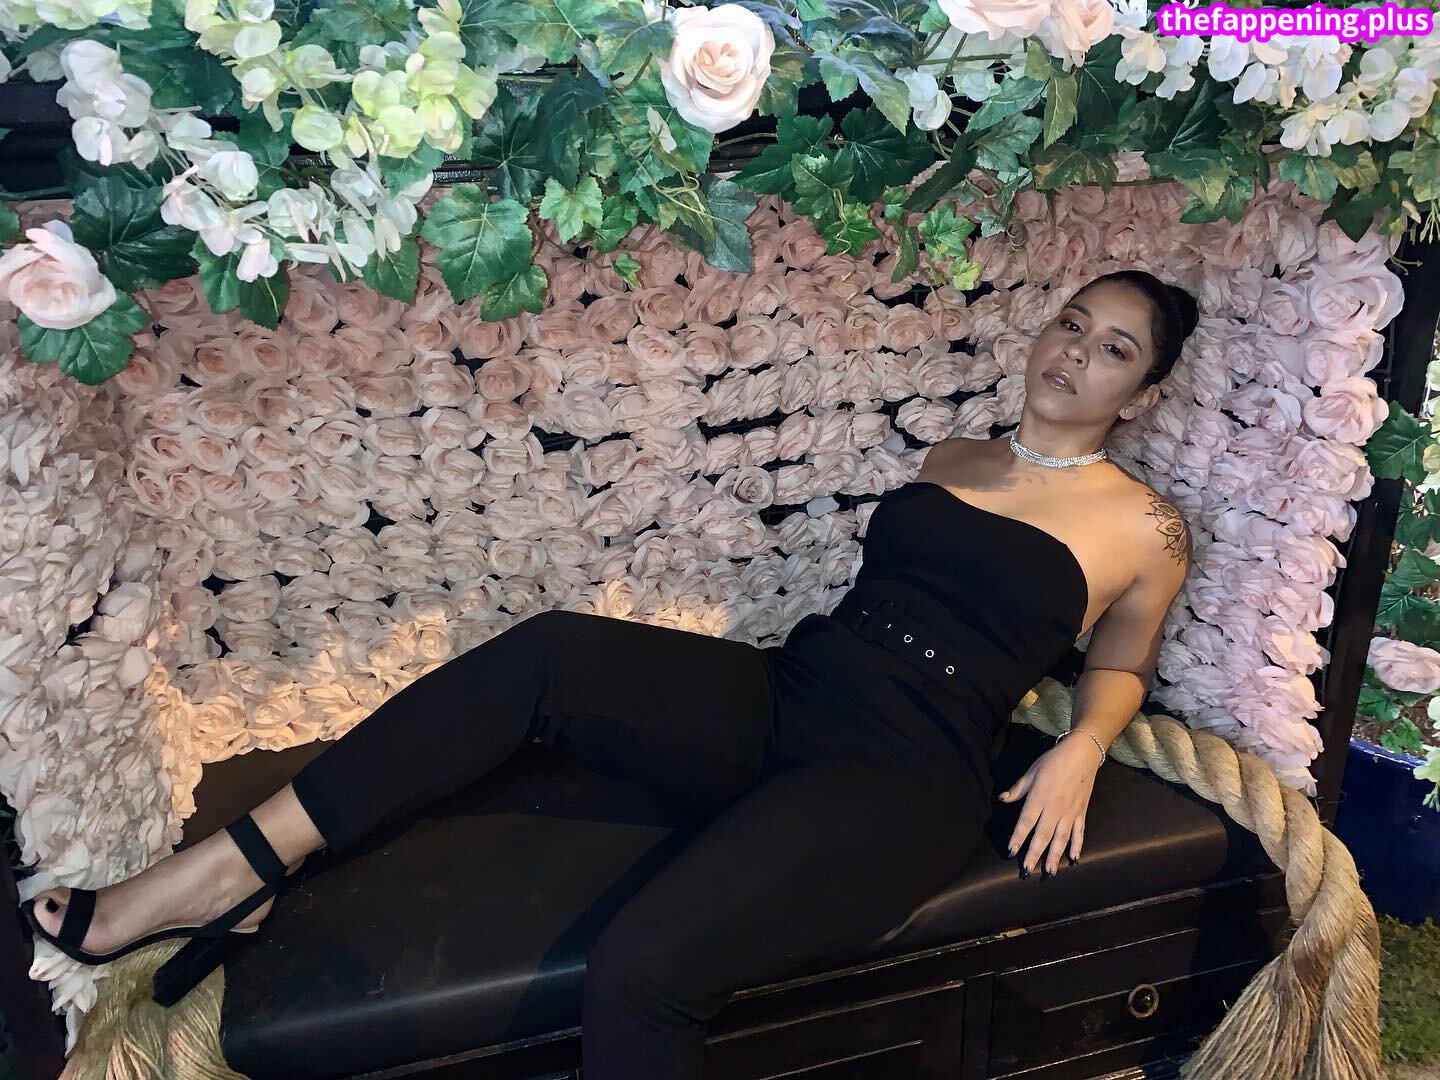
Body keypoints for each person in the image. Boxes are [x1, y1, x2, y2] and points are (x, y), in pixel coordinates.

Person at [24, 269, 1198, 1079]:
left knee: (642, 970)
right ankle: (230, 873)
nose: (1074, 353)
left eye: (1114, 350)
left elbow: (1121, 665)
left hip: (903, 776)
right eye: (1071, 322)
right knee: (553, 653)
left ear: (1142, 395)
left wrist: (1083, 748)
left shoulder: (1143, 528)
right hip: (799, 689)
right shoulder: (955, 454)